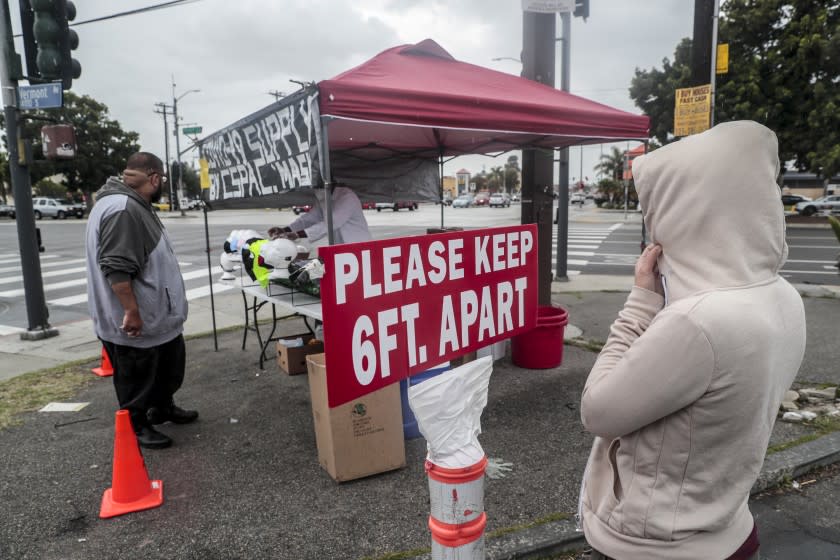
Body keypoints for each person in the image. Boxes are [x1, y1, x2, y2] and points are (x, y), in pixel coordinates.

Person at [578, 121, 806, 560]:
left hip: (654, 546)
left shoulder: (697, 322)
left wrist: (641, 302)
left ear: (683, 210)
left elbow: (597, 410)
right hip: (732, 527)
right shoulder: (783, 297)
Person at [85, 152, 197, 450]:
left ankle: (162, 407)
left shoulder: (130, 202)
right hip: (137, 319)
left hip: (159, 317)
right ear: (155, 179)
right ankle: (136, 424)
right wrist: (131, 311)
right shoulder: (123, 209)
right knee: (136, 378)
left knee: (167, 367)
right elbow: (117, 268)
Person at [268, 184, 372, 245]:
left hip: (359, 245)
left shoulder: (347, 197)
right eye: (314, 187)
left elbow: (331, 223)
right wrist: (286, 230)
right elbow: (311, 218)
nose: (315, 190)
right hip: (340, 247)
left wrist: (297, 235)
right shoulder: (324, 197)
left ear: (329, 183)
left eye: (317, 186)